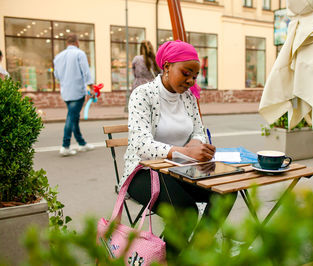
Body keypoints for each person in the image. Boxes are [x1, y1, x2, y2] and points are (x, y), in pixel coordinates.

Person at [122, 40, 237, 256]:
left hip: (178, 169)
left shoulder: (188, 97)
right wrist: (185, 152)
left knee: (227, 192)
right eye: (186, 73)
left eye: (195, 76)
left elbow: (198, 131)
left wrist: (196, 145)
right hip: (143, 172)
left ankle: (194, 253)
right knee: (185, 211)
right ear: (166, 66)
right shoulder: (142, 94)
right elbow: (141, 145)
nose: (191, 80)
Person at [53, 34, 95, 156]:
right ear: (77, 42)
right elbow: (86, 71)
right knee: (71, 117)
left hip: (65, 91)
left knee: (74, 117)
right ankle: (65, 146)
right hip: (77, 91)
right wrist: (91, 87)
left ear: (67, 43)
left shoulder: (58, 56)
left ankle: (82, 143)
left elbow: (56, 75)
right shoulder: (79, 53)